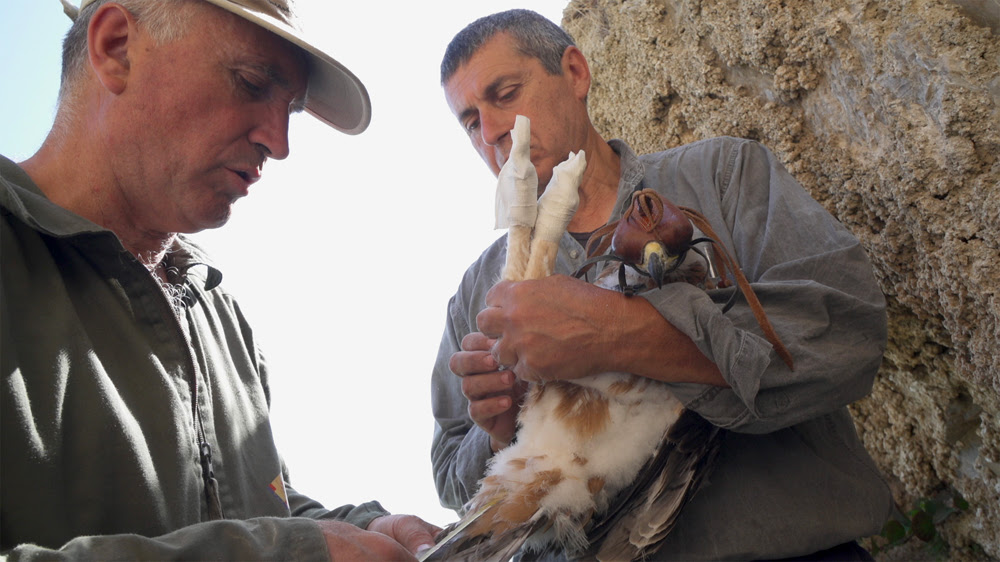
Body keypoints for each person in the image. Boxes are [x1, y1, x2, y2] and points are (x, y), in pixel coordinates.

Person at [430, 9, 893, 560]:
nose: (490, 133)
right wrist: (502, 430)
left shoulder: (722, 176)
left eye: (505, 94)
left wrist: (618, 333)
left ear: (575, 72)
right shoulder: (479, 295)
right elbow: (454, 481)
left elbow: (849, 332)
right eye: (468, 121)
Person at [0, 0, 440, 559]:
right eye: (253, 81)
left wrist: (358, 528)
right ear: (115, 47)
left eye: (293, 110)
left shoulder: (219, 315)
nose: (279, 144)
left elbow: (255, 512)